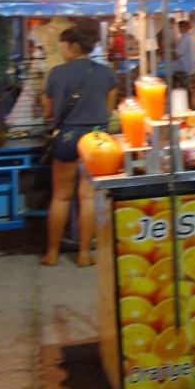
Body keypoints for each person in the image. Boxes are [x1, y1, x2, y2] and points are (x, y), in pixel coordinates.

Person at [40, 25, 117, 266]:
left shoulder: (56, 73)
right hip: (97, 139)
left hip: (67, 136)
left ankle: (52, 253)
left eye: (62, 45)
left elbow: (48, 113)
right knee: (88, 197)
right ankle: (84, 254)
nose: (60, 50)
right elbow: (108, 111)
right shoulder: (106, 73)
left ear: (73, 46)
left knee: (61, 197)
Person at [173, 19, 195, 92]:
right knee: (187, 89)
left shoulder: (186, 38)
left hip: (185, 68)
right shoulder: (187, 37)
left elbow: (178, 53)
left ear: (185, 27)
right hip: (187, 67)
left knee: (185, 89)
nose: (179, 29)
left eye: (180, 27)